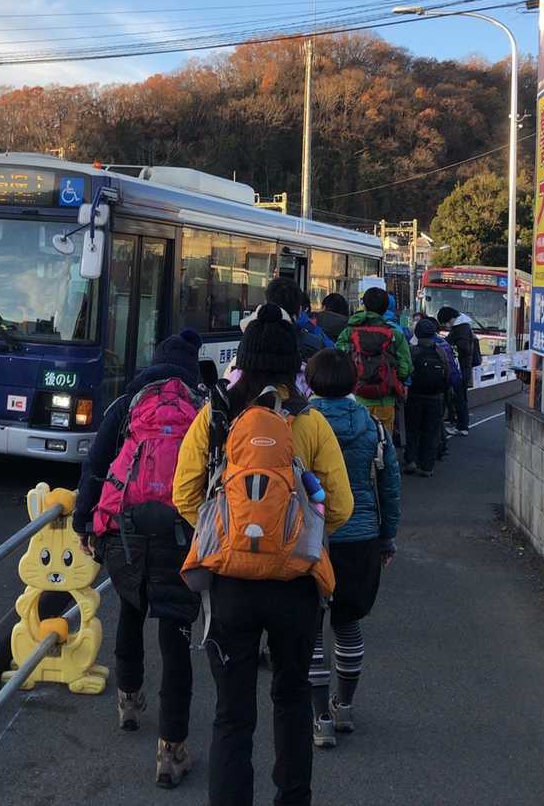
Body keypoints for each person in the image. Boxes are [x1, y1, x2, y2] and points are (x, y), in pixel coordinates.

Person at [173, 304, 354, 806]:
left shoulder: (216, 415)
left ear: (244, 359)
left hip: (230, 585)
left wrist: (226, 532)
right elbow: (341, 505)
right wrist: (300, 534)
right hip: (296, 585)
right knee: (292, 700)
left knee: (232, 714)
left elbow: (184, 492)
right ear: (294, 364)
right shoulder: (308, 421)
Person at [74, 330, 205, 788]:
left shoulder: (127, 404)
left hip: (124, 532)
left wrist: (84, 522)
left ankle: (129, 701)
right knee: (175, 636)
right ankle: (172, 750)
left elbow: (95, 466)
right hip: (180, 534)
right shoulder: (204, 408)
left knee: (130, 609)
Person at [303, 347, 400, 748]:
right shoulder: (372, 426)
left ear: (309, 380)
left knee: (310, 631)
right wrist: (387, 536)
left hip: (310, 539)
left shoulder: (299, 424)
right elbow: (389, 485)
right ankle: (344, 706)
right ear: (354, 380)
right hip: (360, 537)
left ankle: (320, 718)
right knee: (347, 624)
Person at [335, 287, 412, 437]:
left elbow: (339, 357)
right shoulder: (394, 333)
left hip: (356, 397)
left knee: (358, 440)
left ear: (364, 305)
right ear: (386, 309)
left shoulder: (350, 332)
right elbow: (406, 368)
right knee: (384, 441)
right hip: (385, 399)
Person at [404, 317, 452, 476]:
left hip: (414, 395)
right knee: (431, 431)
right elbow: (447, 373)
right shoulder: (440, 351)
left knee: (413, 429)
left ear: (417, 333)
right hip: (435, 397)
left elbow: (405, 371)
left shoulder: (411, 351)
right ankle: (427, 466)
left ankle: (411, 460)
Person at [438, 306, 483, 437]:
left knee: (460, 398)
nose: (446, 325)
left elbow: (463, 348)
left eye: (445, 322)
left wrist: (450, 346)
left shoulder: (460, 329)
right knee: (460, 398)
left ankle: (462, 427)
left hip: (460, 369)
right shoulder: (464, 326)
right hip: (464, 369)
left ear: (450, 319)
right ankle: (460, 423)